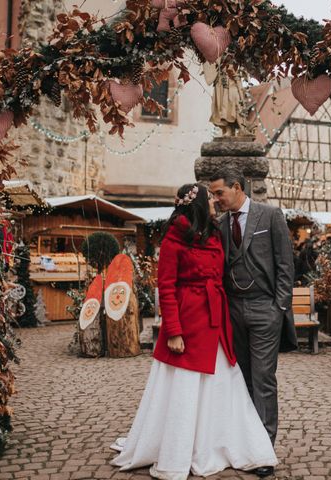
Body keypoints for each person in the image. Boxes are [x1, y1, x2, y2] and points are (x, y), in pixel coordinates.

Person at [110, 184, 277, 479]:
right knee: (185, 388)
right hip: (188, 323)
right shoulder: (175, 238)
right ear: (198, 203)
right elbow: (167, 286)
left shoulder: (213, 234)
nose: (214, 202)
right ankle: (182, 448)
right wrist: (173, 331)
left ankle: (233, 445)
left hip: (216, 322)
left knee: (226, 386)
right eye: (209, 198)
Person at [209, 167, 296, 478]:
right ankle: (244, 442)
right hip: (232, 310)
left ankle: (263, 451)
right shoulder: (219, 224)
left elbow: (286, 264)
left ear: (236, 187)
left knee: (263, 379)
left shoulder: (270, 216)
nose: (216, 199)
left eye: (219, 192)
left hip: (264, 308)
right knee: (241, 379)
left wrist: (279, 307)